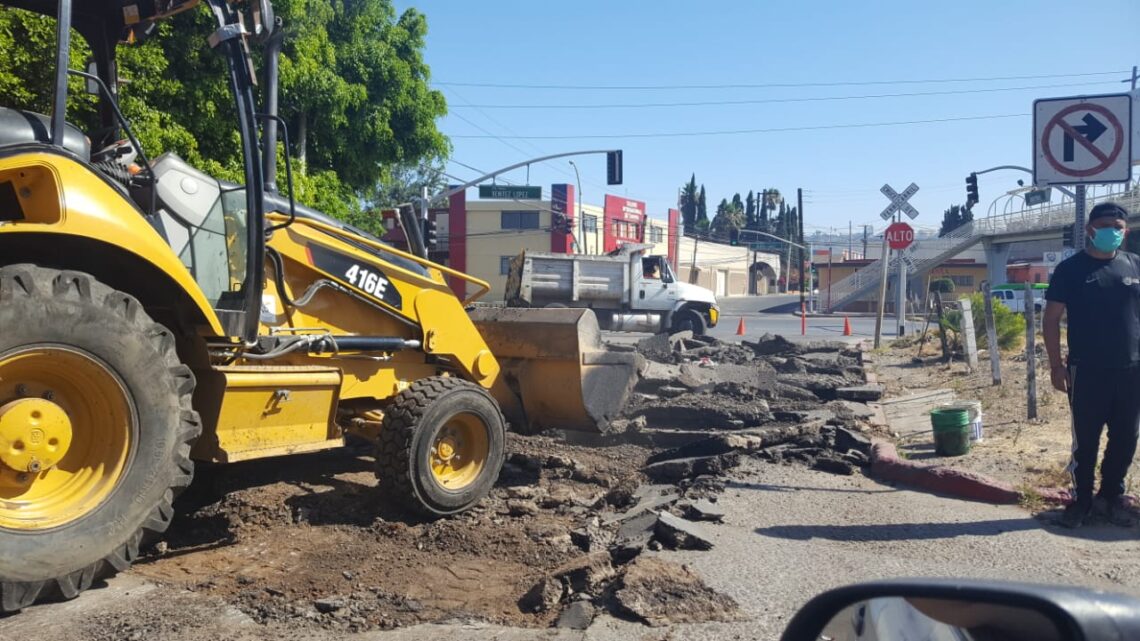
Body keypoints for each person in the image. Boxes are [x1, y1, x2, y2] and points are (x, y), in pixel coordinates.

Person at [1043, 201, 1140, 529]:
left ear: (1125, 231)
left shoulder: (1135, 266)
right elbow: (1051, 319)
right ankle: (1081, 500)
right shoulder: (1070, 270)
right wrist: (1056, 366)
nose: (1113, 232)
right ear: (1090, 230)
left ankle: (1110, 496)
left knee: (1126, 438)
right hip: (1087, 371)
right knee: (1086, 440)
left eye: (1118, 227)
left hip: (1132, 371)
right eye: (1106, 226)